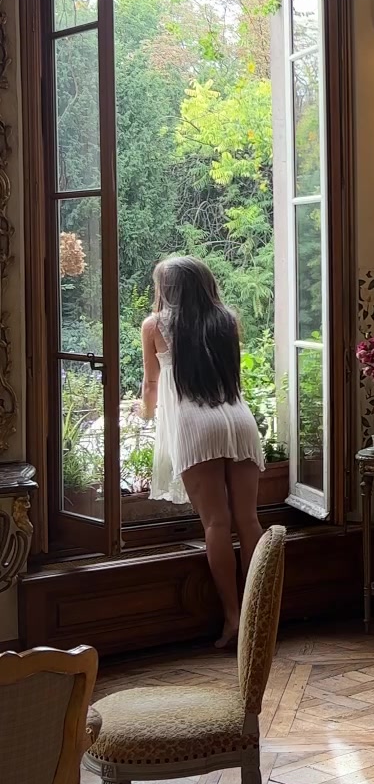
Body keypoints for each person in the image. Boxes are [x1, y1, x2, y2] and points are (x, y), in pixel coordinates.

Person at [141, 256, 266, 646]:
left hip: (196, 425)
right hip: (239, 420)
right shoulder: (226, 321)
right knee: (248, 520)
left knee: (216, 523)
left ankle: (233, 618)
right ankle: (260, 617)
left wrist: (144, 415)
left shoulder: (155, 325)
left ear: (168, 289)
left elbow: (151, 384)